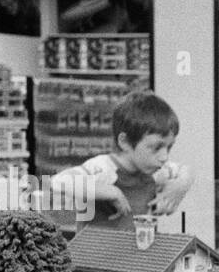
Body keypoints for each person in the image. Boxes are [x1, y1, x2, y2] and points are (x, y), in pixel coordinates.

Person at [51, 90, 192, 233]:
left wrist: (180, 186)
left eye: (169, 147)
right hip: (96, 253)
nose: (164, 157)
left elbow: (186, 171)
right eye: (157, 147)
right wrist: (110, 191)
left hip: (138, 252)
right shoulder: (104, 167)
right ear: (124, 142)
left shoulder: (157, 169)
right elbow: (59, 181)